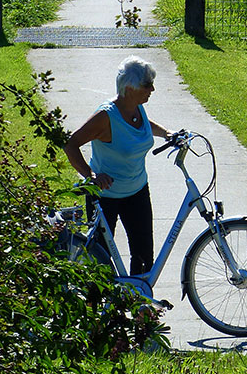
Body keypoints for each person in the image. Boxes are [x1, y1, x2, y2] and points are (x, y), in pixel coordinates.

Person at [64, 56, 172, 276]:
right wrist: (91, 175)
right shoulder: (106, 116)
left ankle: (139, 296)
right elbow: (70, 144)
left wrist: (166, 133)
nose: (152, 89)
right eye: (147, 85)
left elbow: (143, 125)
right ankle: (99, 298)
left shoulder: (136, 107)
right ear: (130, 87)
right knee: (101, 259)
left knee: (144, 256)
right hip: (105, 197)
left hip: (137, 191)